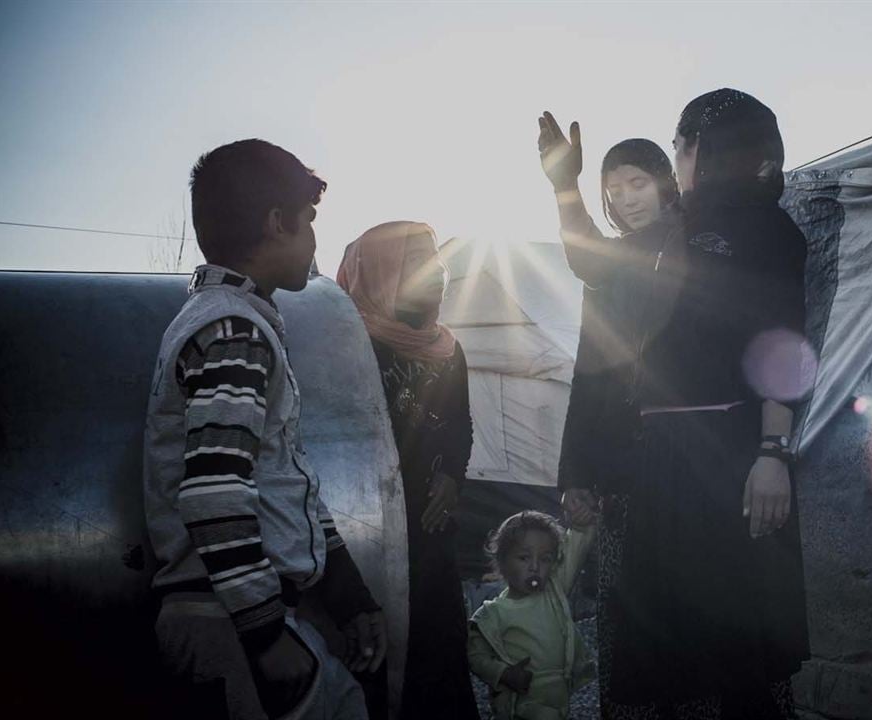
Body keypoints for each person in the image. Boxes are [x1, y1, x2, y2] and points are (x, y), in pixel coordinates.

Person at [539, 89, 811, 719]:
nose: (681, 157)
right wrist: (562, 187)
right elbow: (591, 263)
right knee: (674, 630)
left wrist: (773, 451)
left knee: (738, 626)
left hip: (730, 450)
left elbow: (783, 339)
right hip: (661, 460)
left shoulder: (766, 230)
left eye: (683, 146)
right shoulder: (669, 237)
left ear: (703, 151)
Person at [144, 139, 385, 720]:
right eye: (309, 224)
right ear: (277, 224)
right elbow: (213, 492)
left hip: (235, 614)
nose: (314, 243)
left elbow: (281, 481)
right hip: (230, 625)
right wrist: (264, 635)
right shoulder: (233, 332)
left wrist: (349, 597)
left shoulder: (232, 322)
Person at [536, 116, 682, 718]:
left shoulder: (695, 246)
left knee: (692, 614)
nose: (626, 199)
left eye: (638, 183)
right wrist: (576, 474)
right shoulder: (615, 265)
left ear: (667, 183)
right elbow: (590, 374)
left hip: (692, 464)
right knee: (629, 610)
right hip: (626, 469)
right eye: (614, 188)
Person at [336, 221, 479, 719]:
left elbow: (460, 426)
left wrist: (451, 478)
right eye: (418, 265)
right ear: (379, 274)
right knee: (375, 655)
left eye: (437, 262)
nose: (438, 274)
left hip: (430, 529)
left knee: (437, 654)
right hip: (365, 534)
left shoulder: (447, 348)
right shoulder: (347, 345)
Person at [467, 511, 598, 720]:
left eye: (545, 559)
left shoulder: (554, 593)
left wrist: (581, 527)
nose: (535, 567)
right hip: (520, 704)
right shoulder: (493, 613)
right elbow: (475, 656)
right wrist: (504, 674)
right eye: (523, 558)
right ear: (502, 563)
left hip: (558, 700)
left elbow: (574, 551)